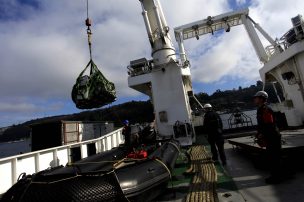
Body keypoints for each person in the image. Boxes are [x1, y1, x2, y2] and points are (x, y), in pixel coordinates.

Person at [254, 91, 282, 184]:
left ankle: (276, 177)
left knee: (274, 157)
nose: (255, 99)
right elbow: (262, 125)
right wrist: (258, 133)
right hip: (270, 136)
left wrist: (263, 134)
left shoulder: (265, 109)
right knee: (272, 157)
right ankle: (276, 175)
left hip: (273, 136)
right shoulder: (260, 109)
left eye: (256, 97)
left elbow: (269, 124)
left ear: (261, 99)